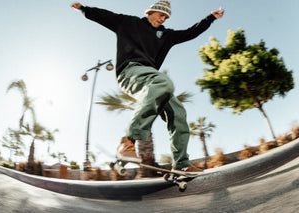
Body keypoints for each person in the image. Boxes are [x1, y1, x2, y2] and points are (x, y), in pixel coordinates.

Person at [72, 1, 224, 175]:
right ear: (151, 12)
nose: (163, 19)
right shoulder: (128, 23)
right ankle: (128, 141)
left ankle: (180, 163)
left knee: (178, 112)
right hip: (129, 72)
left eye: (166, 17)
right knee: (164, 83)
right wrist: (84, 9)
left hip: (150, 78)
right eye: (161, 14)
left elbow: (191, 32)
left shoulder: (166, 35)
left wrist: (211, 18)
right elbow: (104, 16)